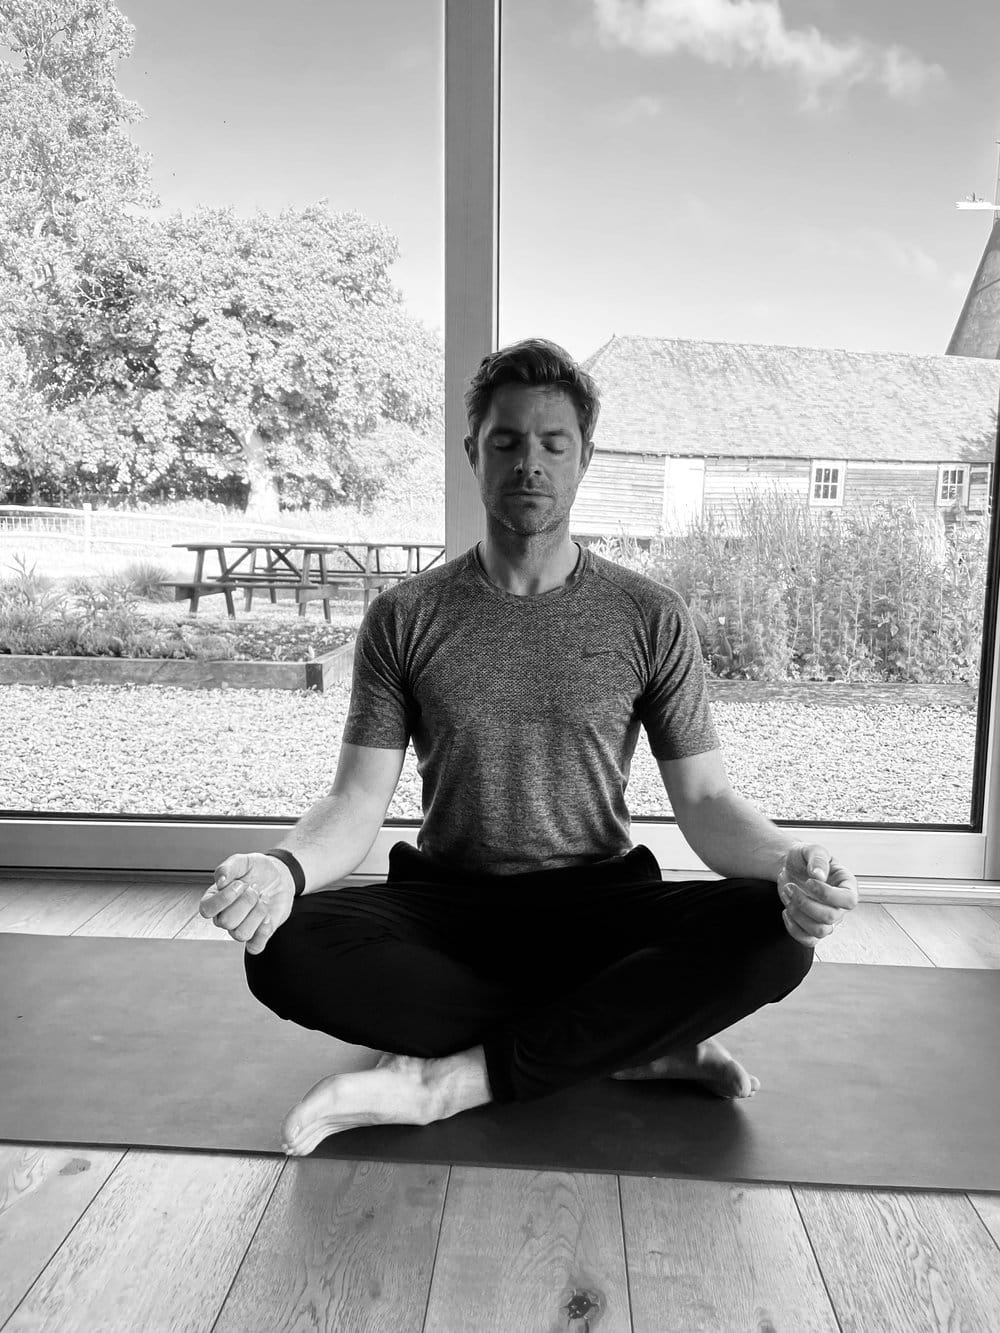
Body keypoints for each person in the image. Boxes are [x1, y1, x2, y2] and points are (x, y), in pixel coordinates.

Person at [199, 338, 859, 1158]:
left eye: (553, 443)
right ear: (474, 452)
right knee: (282, 950)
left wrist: (790, 864)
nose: (529, 463)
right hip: (450, 905)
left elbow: (706, 799)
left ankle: (449, 1081)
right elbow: (356, 799)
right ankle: (625, 1037)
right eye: (506, 441)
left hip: (600, 903)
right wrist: (283, 869)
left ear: (585, 457)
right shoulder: (406, 616)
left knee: (776, 934)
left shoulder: (650, 614)